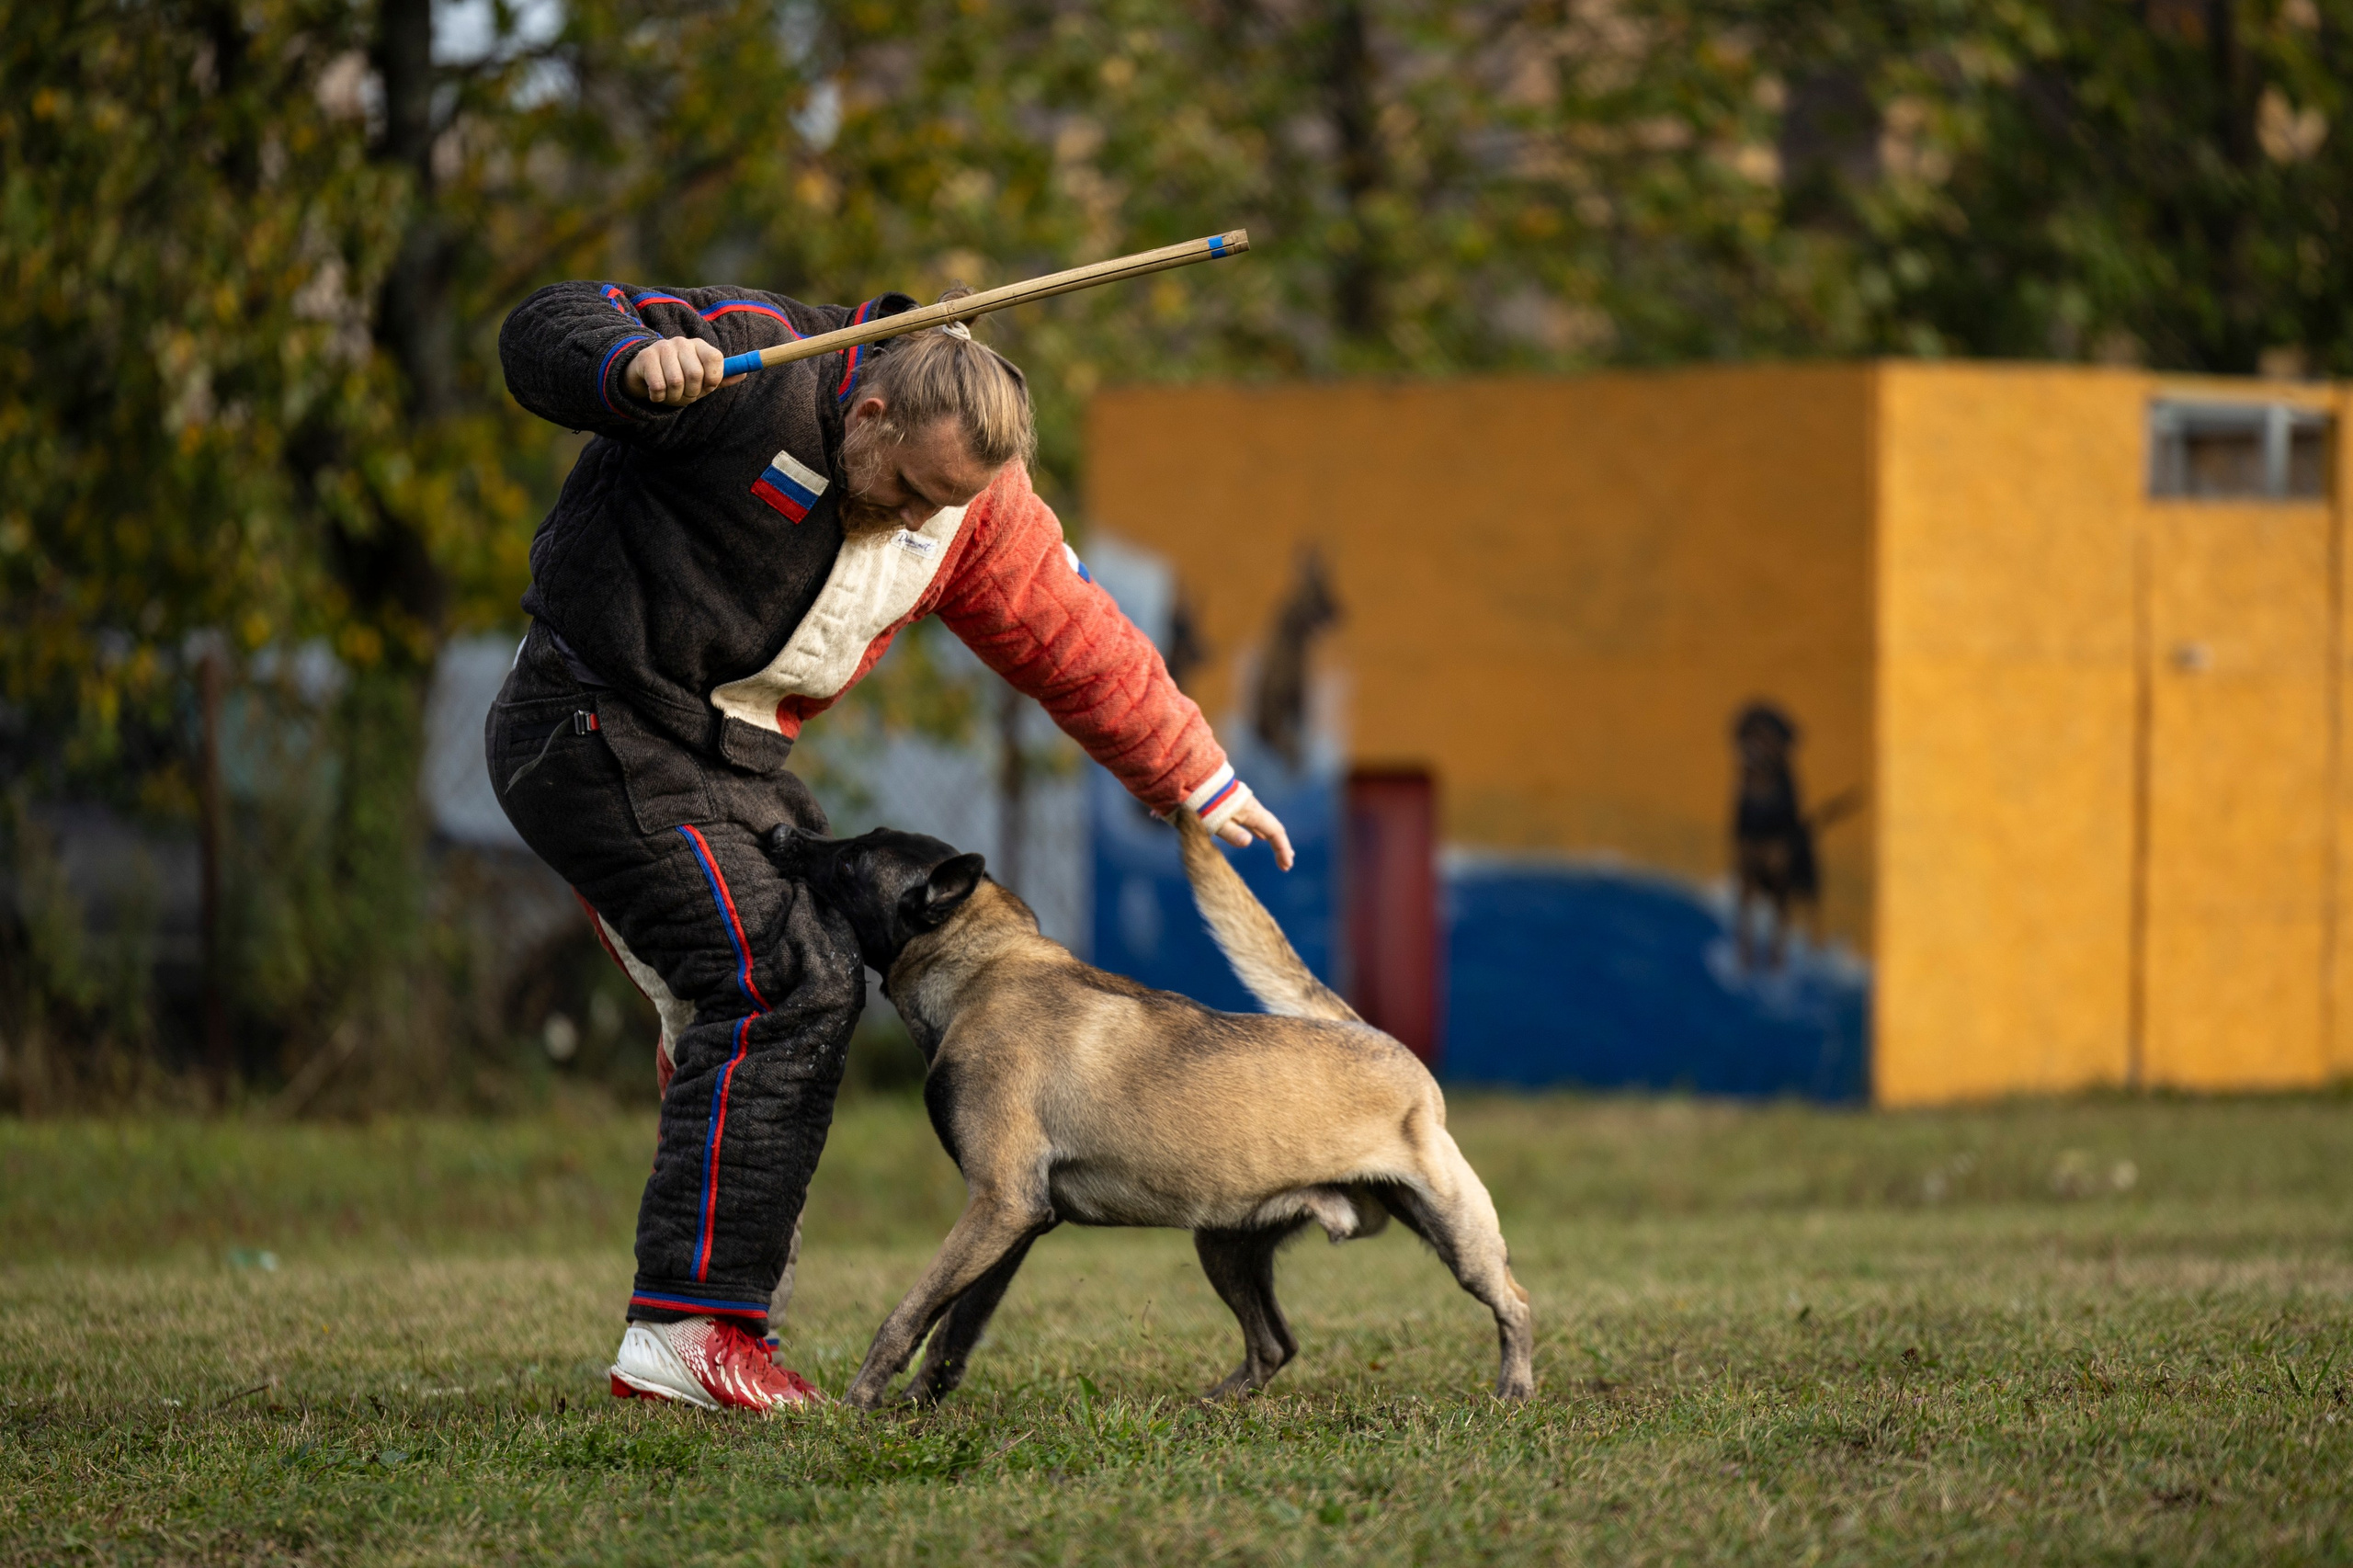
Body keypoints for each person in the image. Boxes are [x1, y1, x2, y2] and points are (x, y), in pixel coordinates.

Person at [486, 278, 1291, 1412]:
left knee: (813, 957)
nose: (919, 523)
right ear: (867, 415)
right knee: (780, 978)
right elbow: (546, 326)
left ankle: (714, 1271)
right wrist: (628, 364)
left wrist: (1200, 779)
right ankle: (687, 1332)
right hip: (587, 720)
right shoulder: (756, 368)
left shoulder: (972, 506)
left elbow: (1074, 638)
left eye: (947, 505)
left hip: (731, 758)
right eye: (910, 489)